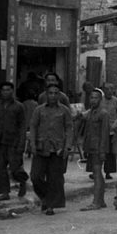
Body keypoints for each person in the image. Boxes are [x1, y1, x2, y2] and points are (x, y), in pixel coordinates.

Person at [29, 84, 74, 215]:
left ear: (59, 95)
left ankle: (50, 205)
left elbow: (69, 128)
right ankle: (45, 197)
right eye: (50, 93)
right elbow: (33, 126)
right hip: (41, 148)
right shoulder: (39, 110)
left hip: (57, 149)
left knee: (54, 178)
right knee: (35, 176)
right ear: (46, 95)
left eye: (56, 93)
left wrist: (67, 147)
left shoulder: (64, 110)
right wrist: (32, 144)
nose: (53, 96)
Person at [0, 82, 28, 201]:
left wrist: (21, 144)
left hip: (14, 142)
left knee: (15, 168)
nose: (6, 92)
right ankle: (4, 192)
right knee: (0, 169)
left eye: (8, 90)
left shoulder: (19, 106)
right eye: (3, 90)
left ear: (12, 91)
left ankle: (23, 181)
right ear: (1, 92)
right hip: (0, 142)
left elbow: (23, 126)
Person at [80, 89, 110, 211]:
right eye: (91, 97)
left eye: (96, 98)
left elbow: (104, 134)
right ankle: (100, 200)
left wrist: (103, 151)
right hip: (91, 147)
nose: (93, 100)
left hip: (98, 148)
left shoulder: (103, 113)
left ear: (100, 100)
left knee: (97, 174)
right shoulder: (91, 112)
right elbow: (80, 117)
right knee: (98, 174)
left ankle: (96, 202)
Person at [101, 83, 117, 180]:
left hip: (112, 130)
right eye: (107, 89)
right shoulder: (100, 100)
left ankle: (108, 172)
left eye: (111, 89)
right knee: (100, 151)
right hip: (101, 130)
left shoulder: (116, 101)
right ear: (104, 90)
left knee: (110, 153)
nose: (109, 91)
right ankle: (96, 171)